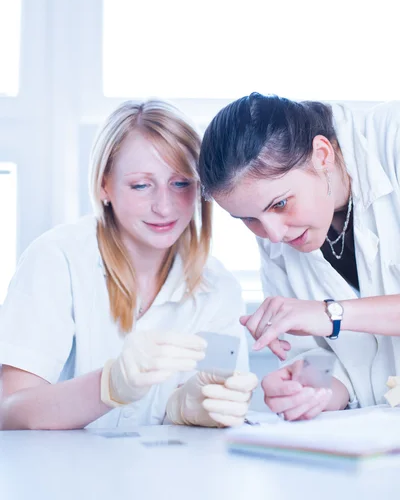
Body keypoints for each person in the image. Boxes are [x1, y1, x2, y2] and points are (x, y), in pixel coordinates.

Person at [0, 100, 257, 430]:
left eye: (181, 184)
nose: (164, 207)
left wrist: (194, 410)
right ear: (104, 185)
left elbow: (222, 400)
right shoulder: (57, 261)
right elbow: (10, 412)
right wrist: (108, 386)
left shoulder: (219, 287)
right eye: (141, 185)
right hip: (59, 476)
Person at [199, 92, 400, 421]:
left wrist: (332, 315)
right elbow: (335, 378)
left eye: (280, 204)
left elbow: (328, 318)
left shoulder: (393, 139)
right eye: (248, 219)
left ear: (322, 155)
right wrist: (308, 389)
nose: (274, 235)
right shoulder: (274, 235)